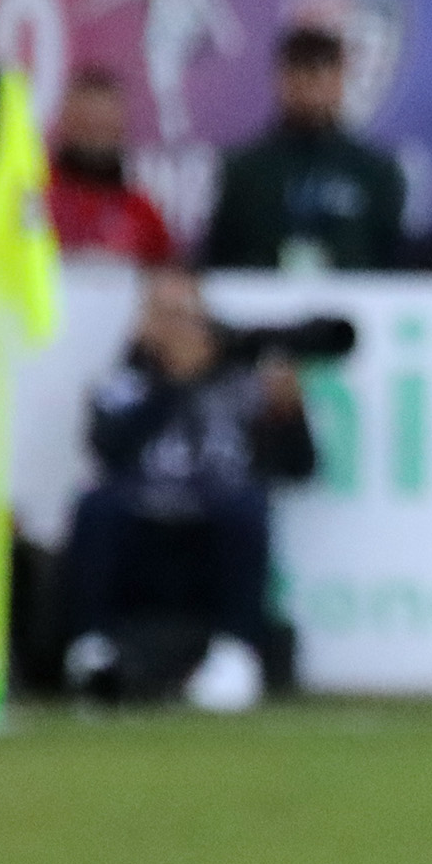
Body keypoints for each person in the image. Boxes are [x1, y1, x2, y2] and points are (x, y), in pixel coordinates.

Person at [63, 270, 316, 715]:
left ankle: (236, 652)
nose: (178, 329)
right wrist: (173, 382)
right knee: (95, 506)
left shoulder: (243, 383)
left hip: (213, 526)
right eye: (166, 315)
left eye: (187, 316)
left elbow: (298, 467)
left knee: (248, 505)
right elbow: (109, 453)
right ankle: (93, 649)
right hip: (142, 525)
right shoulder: (123, 384)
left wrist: (289, 415)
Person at [202, 24, 408, 274]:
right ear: (281, 79)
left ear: (341, 79)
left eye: (322, 70)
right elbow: (219, 262)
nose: (311, 84)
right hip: (264, 297)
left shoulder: (377, 173)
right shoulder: (244, 172)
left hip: (353, 297)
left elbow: (394, 268)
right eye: (300, 69)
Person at [47, 67, 176, 267]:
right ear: (65, 122)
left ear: (121, 126)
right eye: (85, 124)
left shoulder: (142, 214)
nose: (96, 136)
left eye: (104, 125)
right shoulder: (36, 200)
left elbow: (169, 276)